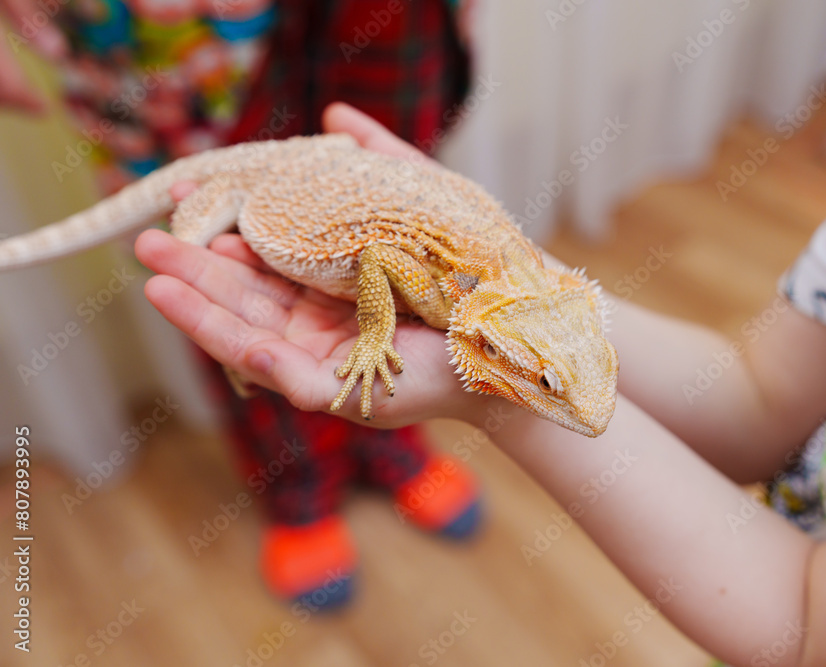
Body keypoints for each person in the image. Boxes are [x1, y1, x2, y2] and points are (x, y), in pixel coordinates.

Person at [137, 1, 826, 664]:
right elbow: (761, 397)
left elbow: (812, 629)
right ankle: (308, 489)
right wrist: (520, 307)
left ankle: (385, 459)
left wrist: (495, 391)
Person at [0, 0, 480, 609]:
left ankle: (393, 439)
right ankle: (296, 484)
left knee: (390, 242)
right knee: (224, 281)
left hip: (375, 23)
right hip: (167, 48)